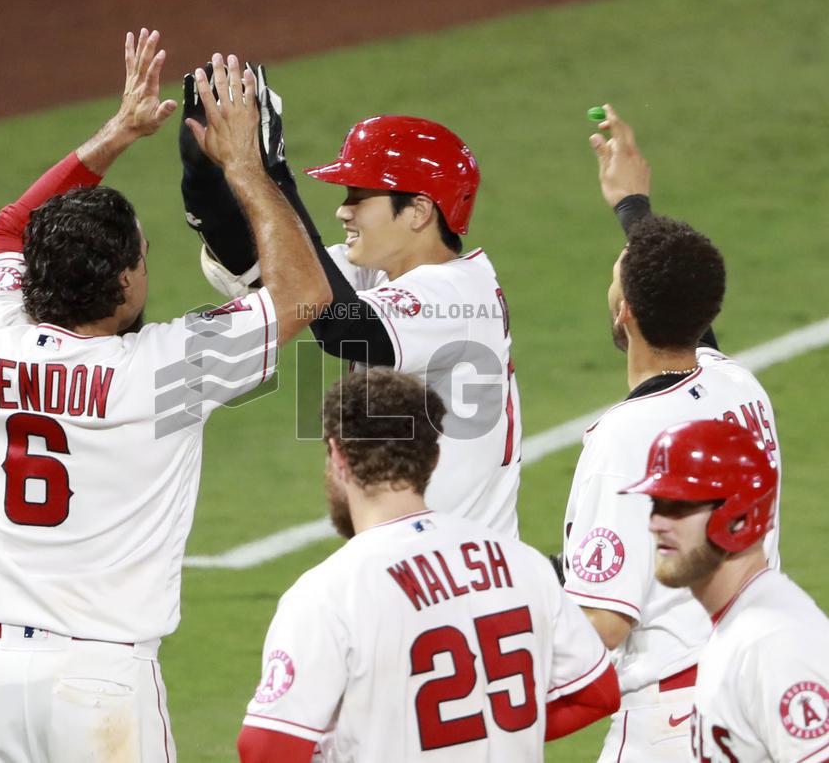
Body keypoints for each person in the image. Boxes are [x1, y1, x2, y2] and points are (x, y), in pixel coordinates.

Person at [0, 32, 331, 762]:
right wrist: (245, 165)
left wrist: (117, 132)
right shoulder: (165, 372)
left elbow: (9, 227)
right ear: (124, 282)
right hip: (99, 685)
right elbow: (305, 292)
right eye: (143, 256)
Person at [179, 67, 522, 534]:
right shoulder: (378, 272)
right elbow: (255, 257)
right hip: (421, 554)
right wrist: (204, 173)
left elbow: (344, 328)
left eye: (360, 197)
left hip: (457, 559)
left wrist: (272, 173)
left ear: (419, 211)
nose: (342, 210)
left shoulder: (459, 292)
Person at [237, 368, 619, 762]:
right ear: (434, 459)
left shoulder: (328, 594)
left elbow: (265, 748)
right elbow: (597, 693)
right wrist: (484, 731)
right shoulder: (523, 564)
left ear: (338, 455)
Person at [559, 103, 783, 761]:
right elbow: (685, 302)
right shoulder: (742, 388)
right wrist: (633, 205)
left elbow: (602, 623)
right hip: (753, 700)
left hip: (672, 727)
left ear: (623, 311)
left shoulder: (623, 439)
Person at [621, 419, 829, 763]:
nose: (655, 523)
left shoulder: (774, 643)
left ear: (740, 518)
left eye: (678, 506)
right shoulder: (736, 626)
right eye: (656, 505)